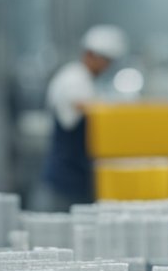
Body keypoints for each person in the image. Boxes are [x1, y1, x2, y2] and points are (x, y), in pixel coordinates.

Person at [39, 25, 128, 210]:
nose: (107, 66)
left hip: (78, 179)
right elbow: (83, 106)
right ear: (91, 55)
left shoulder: (86, 80)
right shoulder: (74, 79)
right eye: (105, 60)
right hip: (65, 180)